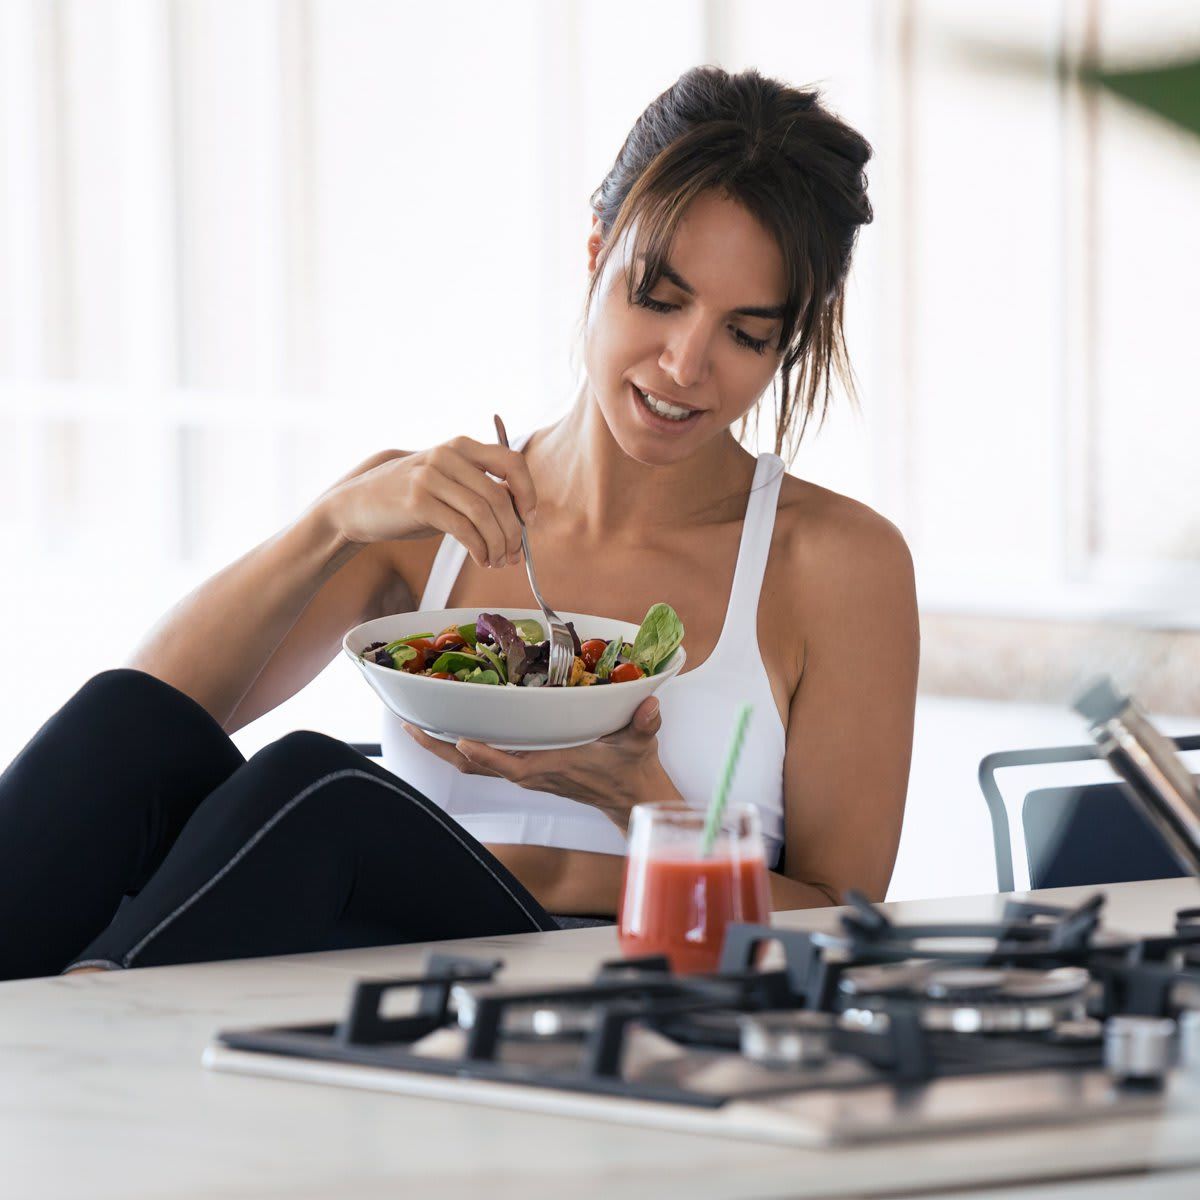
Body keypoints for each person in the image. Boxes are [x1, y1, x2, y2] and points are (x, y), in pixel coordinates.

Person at [0, 65, 918, 982]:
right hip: (381, 962)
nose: (685, 364)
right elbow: (147, 728)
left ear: (785, 345)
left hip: (616, 972)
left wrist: (633, 812)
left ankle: (94, 1035)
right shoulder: (429, 508)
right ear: (596, 255)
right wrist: (331, 525)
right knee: (132, 721)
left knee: (320, 790)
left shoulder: (833, 562)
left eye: (746, 334)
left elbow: (846, 915)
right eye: (659, 297)